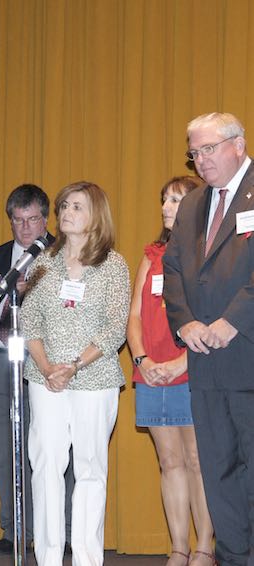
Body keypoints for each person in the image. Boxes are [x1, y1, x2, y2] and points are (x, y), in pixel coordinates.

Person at [21, 181, 129, 566]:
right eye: (64, 206)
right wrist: (49, 368)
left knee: (89, 468)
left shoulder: (113, 264)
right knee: (47, 464)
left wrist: (75, 364)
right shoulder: (42, 262)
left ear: (95, 215)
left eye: (77, 207)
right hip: (45, 377)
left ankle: (86, 557)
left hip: (94, 377)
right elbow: (28, 321)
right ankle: (48, 557)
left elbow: (116, 327)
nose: (66, 212)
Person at [163, 112, 254, 566]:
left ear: (237, 144)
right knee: (217, 470)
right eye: (194, 152)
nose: (201, 160)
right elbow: (174, 269)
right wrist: (186, 324)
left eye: (209, 148)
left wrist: (233, 319)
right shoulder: (195, 204)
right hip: (206, 360)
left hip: (248, 350)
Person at [0, 184, 74, 554]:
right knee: (5, 450)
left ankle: (61, 530)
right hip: (2, 357)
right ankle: (14, 529)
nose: (26, 228)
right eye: (18, 220)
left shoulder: (63, 254)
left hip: (45, 361)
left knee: (52, 447)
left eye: (33, 219)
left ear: (46, 219)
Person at [127, 176, 214, 566]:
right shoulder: (151, 254)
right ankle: (179, 548)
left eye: (176, 200)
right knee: (170, 462)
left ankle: (205, 549)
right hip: (150, 372)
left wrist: (183, 362)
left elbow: (213, 319)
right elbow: (133, 316)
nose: (165, 207)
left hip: (192, 369)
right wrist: (143, 360)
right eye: (164, 199)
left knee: (198, 460)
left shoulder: (209, 253)